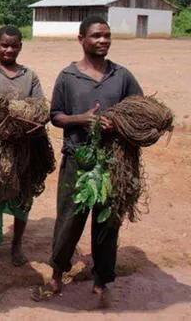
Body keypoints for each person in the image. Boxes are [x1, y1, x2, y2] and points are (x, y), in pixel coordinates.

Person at [33, 16, 143, 307]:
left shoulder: (122, 76)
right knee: (69, 220)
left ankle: (102, 280)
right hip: (77, 160)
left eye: (107, 36)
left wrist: (117, 123)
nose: (103, 41)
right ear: (81, 39)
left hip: (113, 163)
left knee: (108, 223)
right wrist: (81, 119)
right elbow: (55, 116)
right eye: (96, 36)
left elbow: (140, 111)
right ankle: (56, 275)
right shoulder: (68, 77)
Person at [0, 25, 45, 267]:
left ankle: (16, 246)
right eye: (4, 45)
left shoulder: (29, 75)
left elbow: (39, 108)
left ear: (20, 46)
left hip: (22, 149)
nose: (8, 49)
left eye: (14, 45)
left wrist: (22, 118)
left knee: (22, 198)